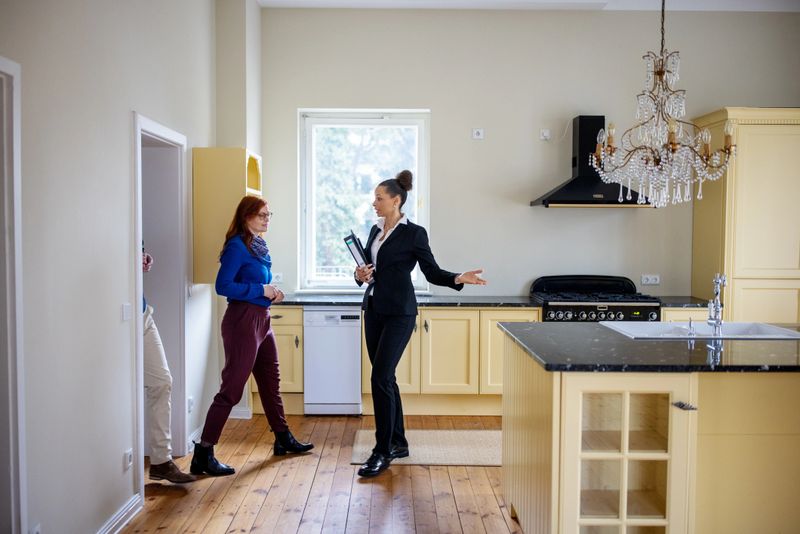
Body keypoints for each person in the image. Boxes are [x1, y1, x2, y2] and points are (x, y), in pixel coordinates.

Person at [354, 170, 487, 477]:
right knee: (386, 380)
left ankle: (382, 451)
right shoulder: (375, 231)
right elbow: (368, 270)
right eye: (374, 197)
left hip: (401, 313)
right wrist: (360, 276)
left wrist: (457, 278)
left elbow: (431, 271)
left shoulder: (414, 233)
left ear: (396, 200)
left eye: (379, 198)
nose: (374, 202)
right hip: (374, 309)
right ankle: (398, 442)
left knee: (380, 378)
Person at [191, 196, 313, 477]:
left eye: (269, 214)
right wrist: (261, 290)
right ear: (246, 216)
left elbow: (257, 282)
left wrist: (272, 292)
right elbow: (224, 286)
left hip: (262, 320)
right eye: (261, 215)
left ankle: (282, 438)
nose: (266, 219)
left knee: (271, 382)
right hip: (242, 322)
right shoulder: (237, 246)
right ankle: (203, 453)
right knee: (232, 390)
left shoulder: (257, 245)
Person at [142, 248, 196, 483]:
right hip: (115, 314)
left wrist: (142, 257)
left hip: (142, 313)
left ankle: (161, 462)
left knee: (162, 383)